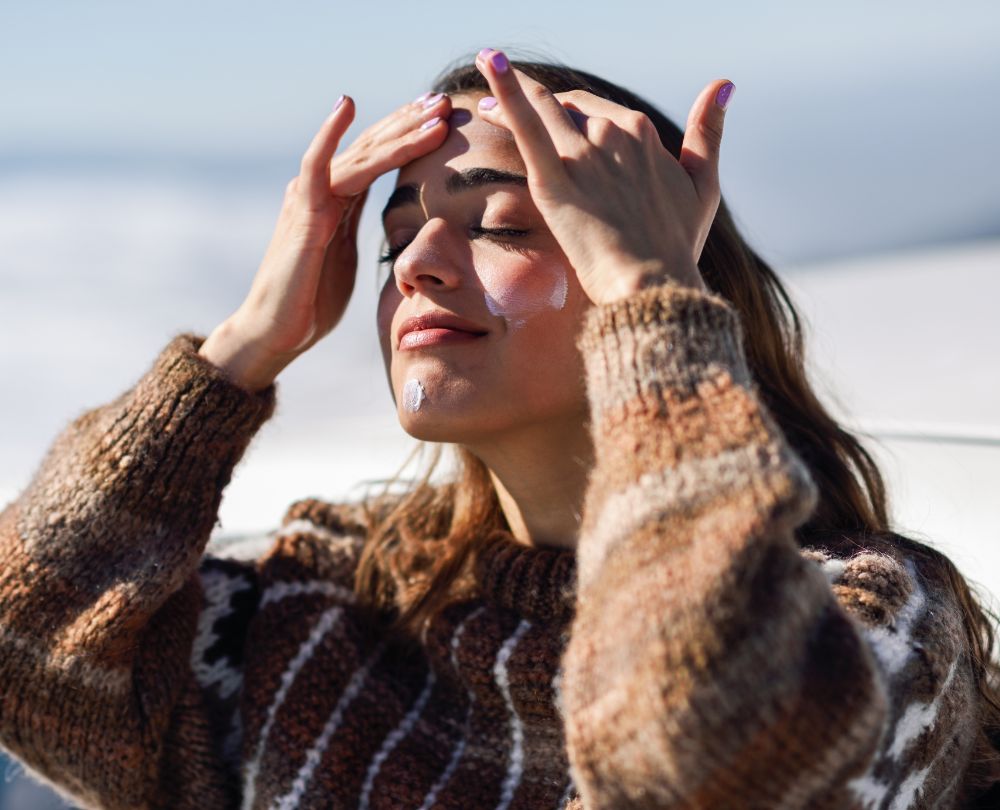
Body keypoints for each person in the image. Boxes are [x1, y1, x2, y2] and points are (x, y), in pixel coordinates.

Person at [0, 48, 997, 810]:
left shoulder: (864, 621)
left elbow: (703, 759)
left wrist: (650, 301)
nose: (421, 263)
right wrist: (243, 346)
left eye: (503, 226)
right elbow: (27, 650)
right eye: (394, 240)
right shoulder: (325, 604)